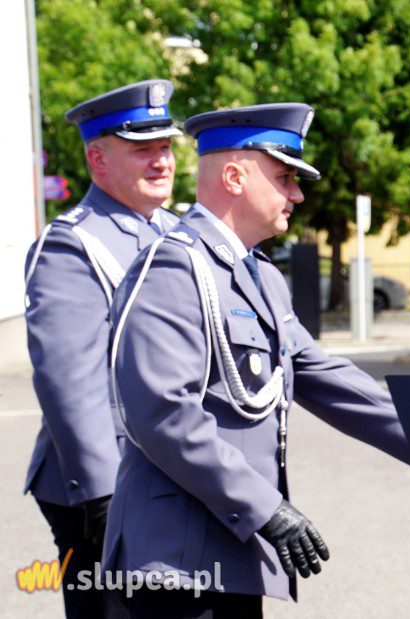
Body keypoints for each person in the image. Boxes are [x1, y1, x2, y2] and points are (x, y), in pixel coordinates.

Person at [104, 103, 410, 617]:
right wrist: (264, 506)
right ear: (235, 176)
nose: (298, 194)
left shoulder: (262, 276)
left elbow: (328, 379)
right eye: (285, 178)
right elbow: (162, 414)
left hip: (231, 546)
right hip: (176, 558)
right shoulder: (173, 266)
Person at [23, 79, 183, 619]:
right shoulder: (72, 242)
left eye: (165, 147)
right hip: (104, 485)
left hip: (163, 477)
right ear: (97, 159)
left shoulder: (174, 232)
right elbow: (67, 378)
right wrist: (102, 493)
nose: (161, 160)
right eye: (143, 149)